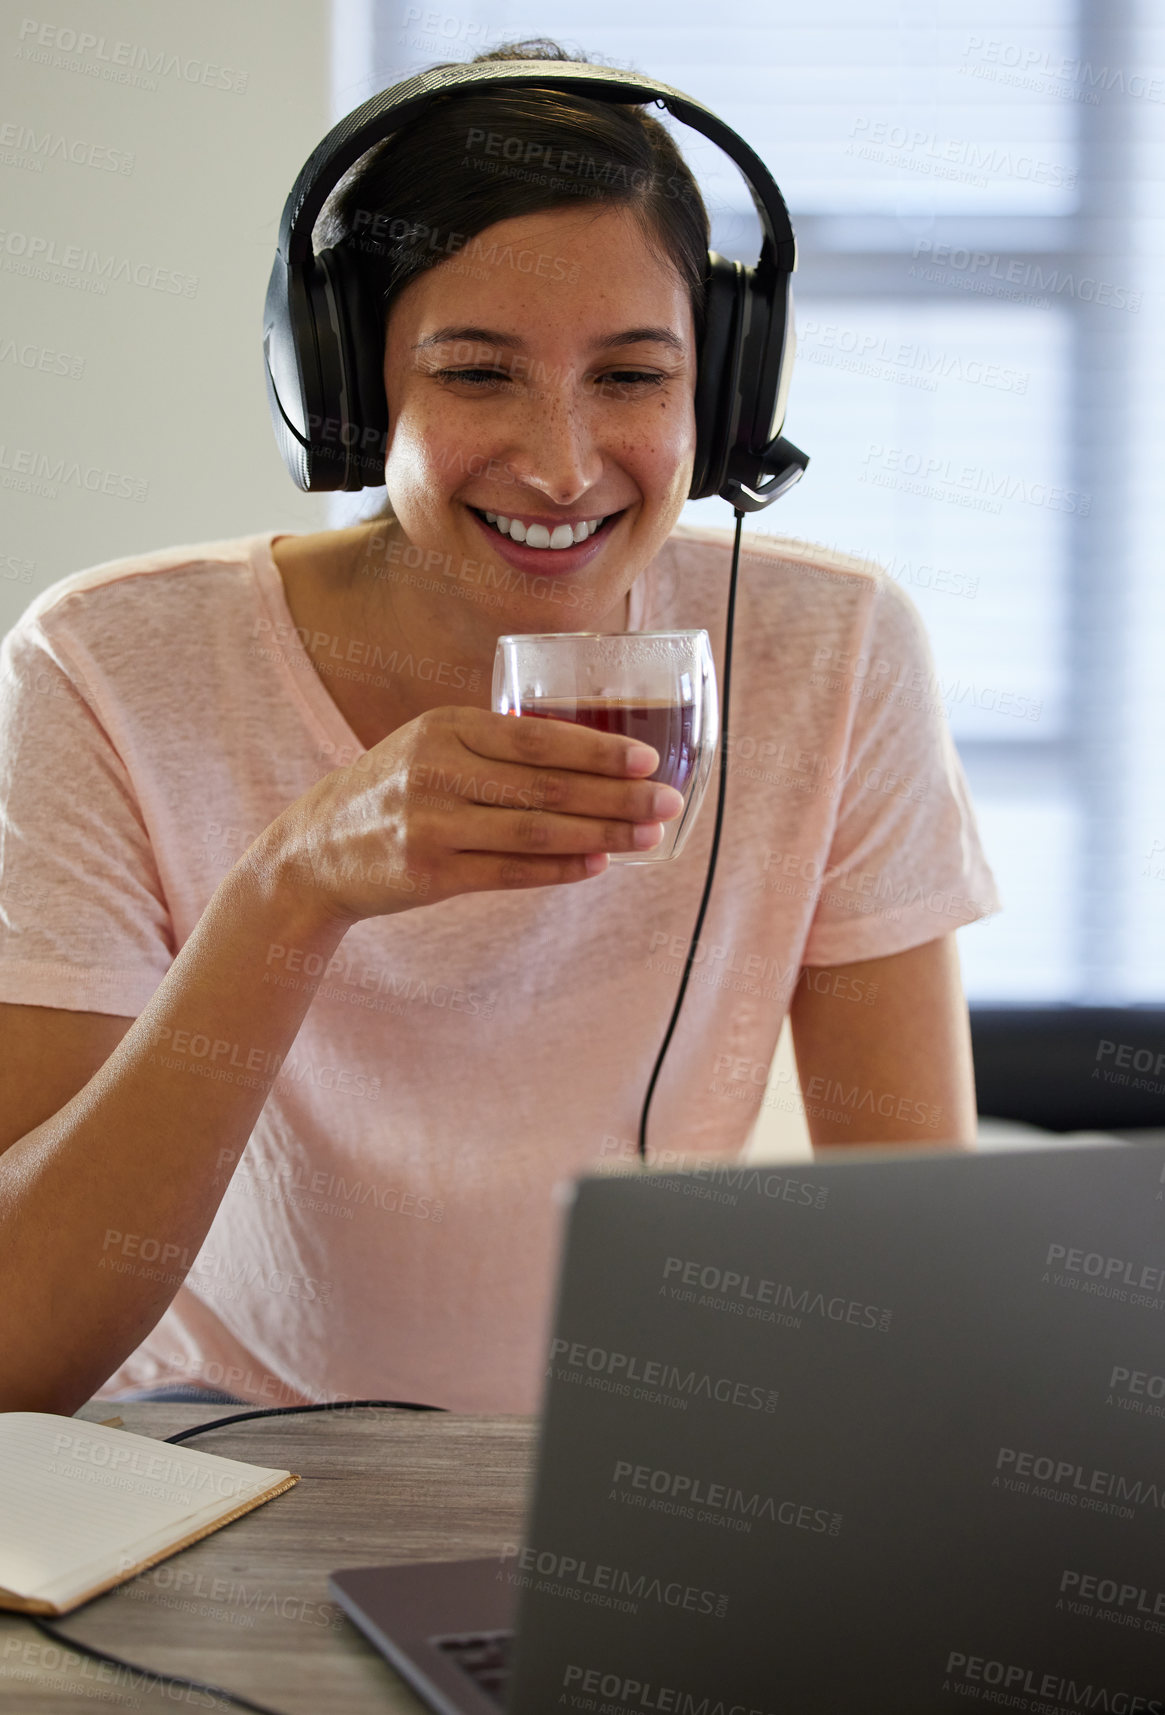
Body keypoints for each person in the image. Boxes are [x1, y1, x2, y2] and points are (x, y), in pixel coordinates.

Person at [0, 41, 999, 1417]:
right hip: (213, 1477)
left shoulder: (824, 645)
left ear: (720, 397)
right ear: (349, 388)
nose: (561, 463)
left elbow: (917, 1253)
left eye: (632, 378)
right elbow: (16, 1357)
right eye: (477, 374)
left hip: (641, 1486)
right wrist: (293, 890)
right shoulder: (112, 662)